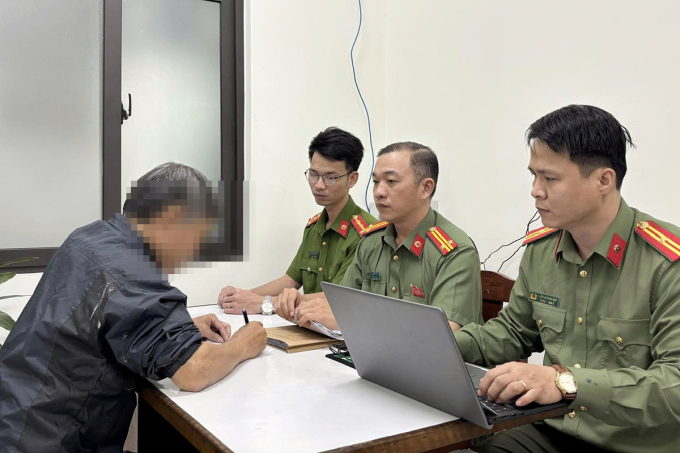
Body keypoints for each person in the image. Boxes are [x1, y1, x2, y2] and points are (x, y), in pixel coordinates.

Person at [455, 105, 680, 453]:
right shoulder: (543, 250)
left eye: (550, 178)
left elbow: (675, 384)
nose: (535, 191)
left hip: (633, 442)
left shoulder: (665, 263)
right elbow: (513, 332)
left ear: (603, 180)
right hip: (552, 429)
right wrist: (436, 344)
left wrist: (566, 383)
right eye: (533, 176)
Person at [0, 163, 267, 453]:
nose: (194, 253)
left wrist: (179, 329)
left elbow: (101, 320)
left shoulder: (90, 237)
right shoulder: (133, 269)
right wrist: (243, 344)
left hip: (14, 418)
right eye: (198, 238)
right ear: (172, 217)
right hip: (51, 442)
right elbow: (193, 370)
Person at [278, 142, 483, 332]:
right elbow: (341, 304)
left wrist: (350, 321)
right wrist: (300, 304)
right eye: (376, 182)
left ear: (426, 188)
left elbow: (443, 333)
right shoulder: (371, 242)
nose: (378, 192)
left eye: (391, 181)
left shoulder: (454, 252)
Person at [217, 127, 377, 316]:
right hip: (306, 325)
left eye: (330, 177)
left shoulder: (368, 234)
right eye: (314, 174)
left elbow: (339, 298)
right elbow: (289, 280)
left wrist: (261, 303)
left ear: (352, 179)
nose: (319, 185)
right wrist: (239, 297)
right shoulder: (314, 227)